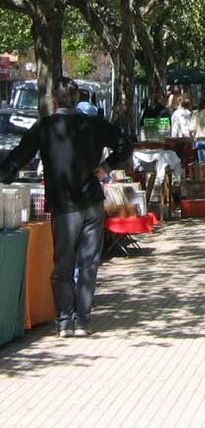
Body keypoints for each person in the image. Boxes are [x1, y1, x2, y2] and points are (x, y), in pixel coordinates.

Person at [0, 77, 134, 338]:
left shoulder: (46, 127)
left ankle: (65, 320)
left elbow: (19, 156)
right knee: (88, 263)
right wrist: (105, 167)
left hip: (64, 205)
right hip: (92, 202)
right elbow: (125, 144)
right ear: (77, 98)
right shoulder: (93, 124)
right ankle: (82, 320)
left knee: (63, 264)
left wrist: (4, 174)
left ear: (54, 99)